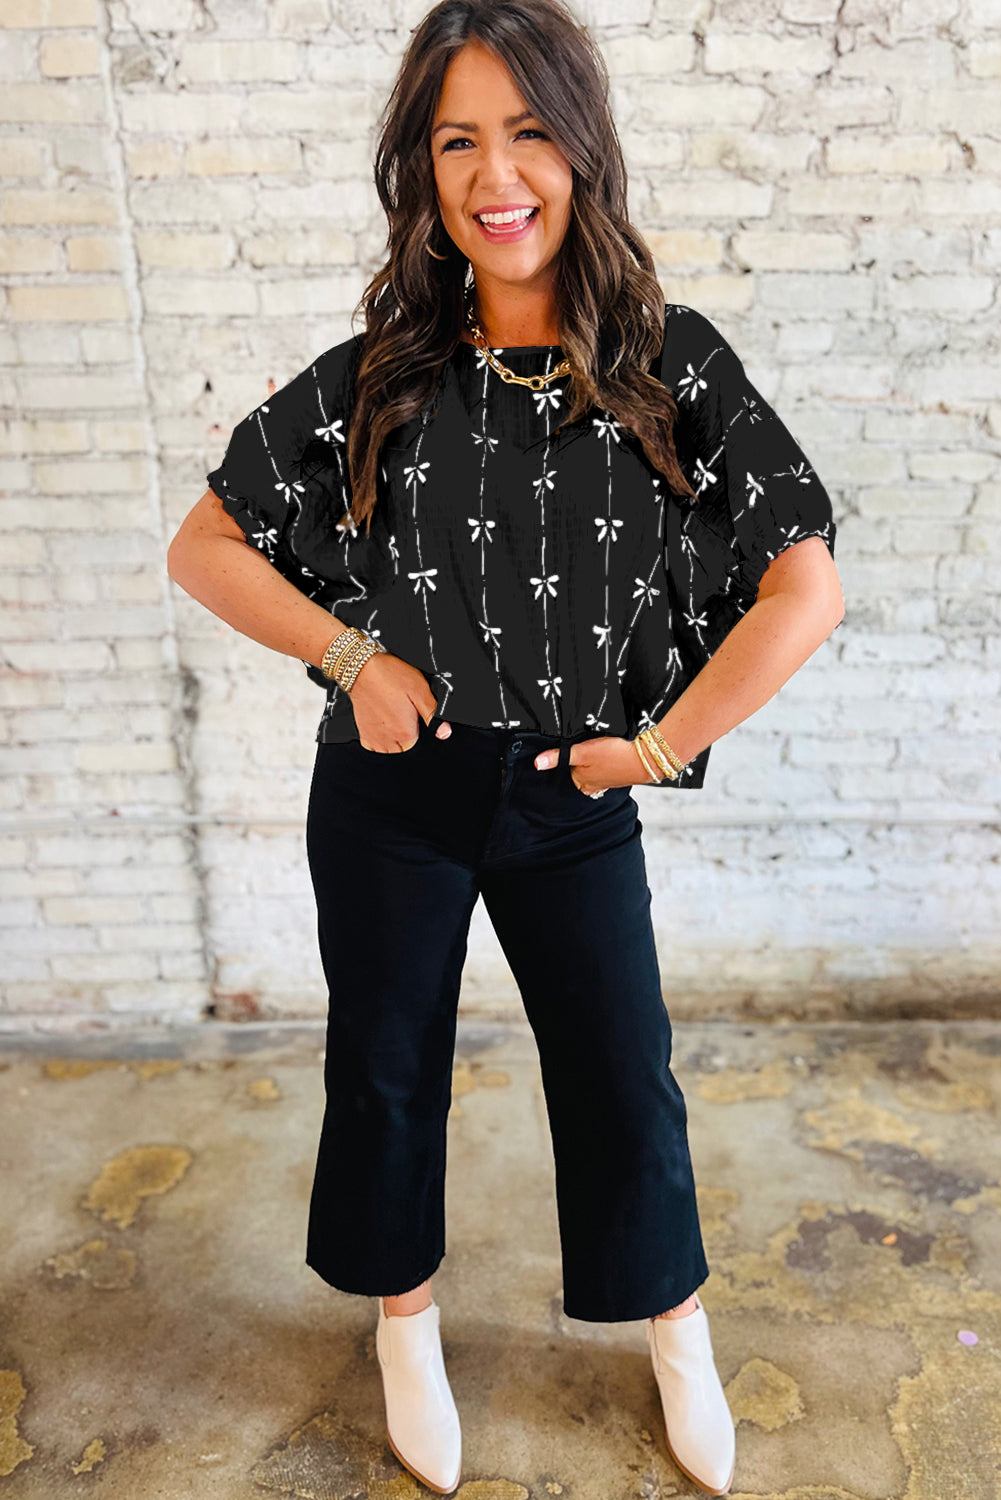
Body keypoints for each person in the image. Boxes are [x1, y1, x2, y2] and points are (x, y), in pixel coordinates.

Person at [167, 2, 844, 1494]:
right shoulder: (378, 371)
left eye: (528, 131)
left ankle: (675, 1330)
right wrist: (351, 657)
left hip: (569, 792)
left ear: (580, 150)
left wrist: (656, 749)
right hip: (389, 797)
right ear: (422, 169)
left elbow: (805, 582)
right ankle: (404, 1324)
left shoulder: (671, 365)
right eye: (457, 138)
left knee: (619, 1070)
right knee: (388, 1064)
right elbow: (204, 545)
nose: (497, 172)